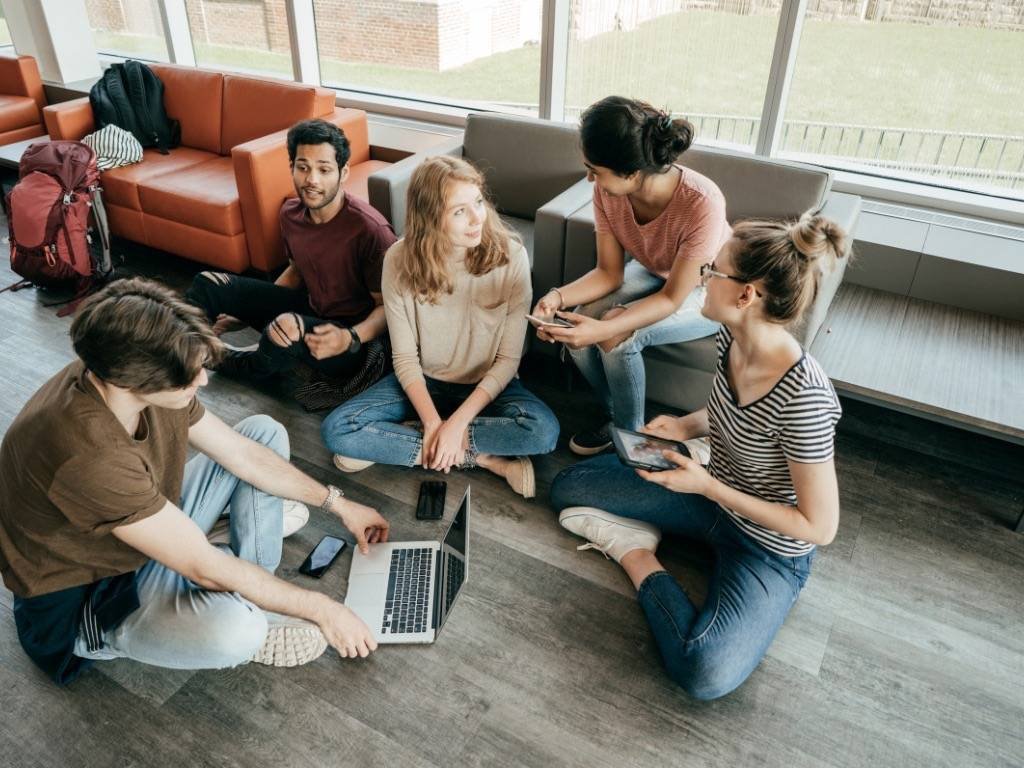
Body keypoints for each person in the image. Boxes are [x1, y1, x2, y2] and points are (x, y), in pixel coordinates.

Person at [0, 279, 391, 685]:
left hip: (134, 529)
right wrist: (322, 608)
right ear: (137, 383)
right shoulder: (86, 453)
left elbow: (240, 453)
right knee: (240, 632)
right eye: (191, 377)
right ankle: (235, 599)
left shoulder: (123, 362)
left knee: (263, 434)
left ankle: (247, 580)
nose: (203, 381)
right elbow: (202, 568)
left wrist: (339, 504)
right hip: (91, 595)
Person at [549, 214, 847, 700]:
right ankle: (655, 525)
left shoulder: (805, 399)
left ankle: (636, 553)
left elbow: (819, 528)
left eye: (714, 271)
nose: (702, 278)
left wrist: (706, 485)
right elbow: (729, 407)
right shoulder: (732, 335)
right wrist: (687, 425)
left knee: (703, 671)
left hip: (767, 547)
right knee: (568, 488)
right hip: (708, 495)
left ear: (746, 295)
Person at [321, 156, 559, 499]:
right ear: (431, 217)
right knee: (337, 431)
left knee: (543, 433)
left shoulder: (512, 256)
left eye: (478, 202)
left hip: (487, 385)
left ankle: (407, 442)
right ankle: (482, 458)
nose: (478, 218)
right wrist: (434, 424)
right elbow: (404, 358)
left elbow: (508, 361)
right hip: (423, 381)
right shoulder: (399, 261)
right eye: (459, 211)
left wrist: (458, 423)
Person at [533, 96, 729, 455]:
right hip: (655, 271)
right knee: (580, 321)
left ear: (633, 172)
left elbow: (673, 297)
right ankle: (615, 416)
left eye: (596, 168)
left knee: (616, 335)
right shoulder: (606, 192)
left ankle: (633, 440)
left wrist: (606, 328)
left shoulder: (701, 202)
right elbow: (608, 273)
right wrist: (557, 297)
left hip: (709, 288)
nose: (590, 177)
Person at [186, 118, 396, 382]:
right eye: (303, 167)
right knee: (207, 283)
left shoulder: (371, 230)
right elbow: (297, 272)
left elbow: (389, 308)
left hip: (353, 340)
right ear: (292, 168)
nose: (312, 180)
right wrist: (246, 312)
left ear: (343, 173)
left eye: (324, 169)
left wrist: (349, 338)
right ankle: (182, 359)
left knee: (284, 328)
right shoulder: (290, 214)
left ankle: (227, 361)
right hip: (311, 310)